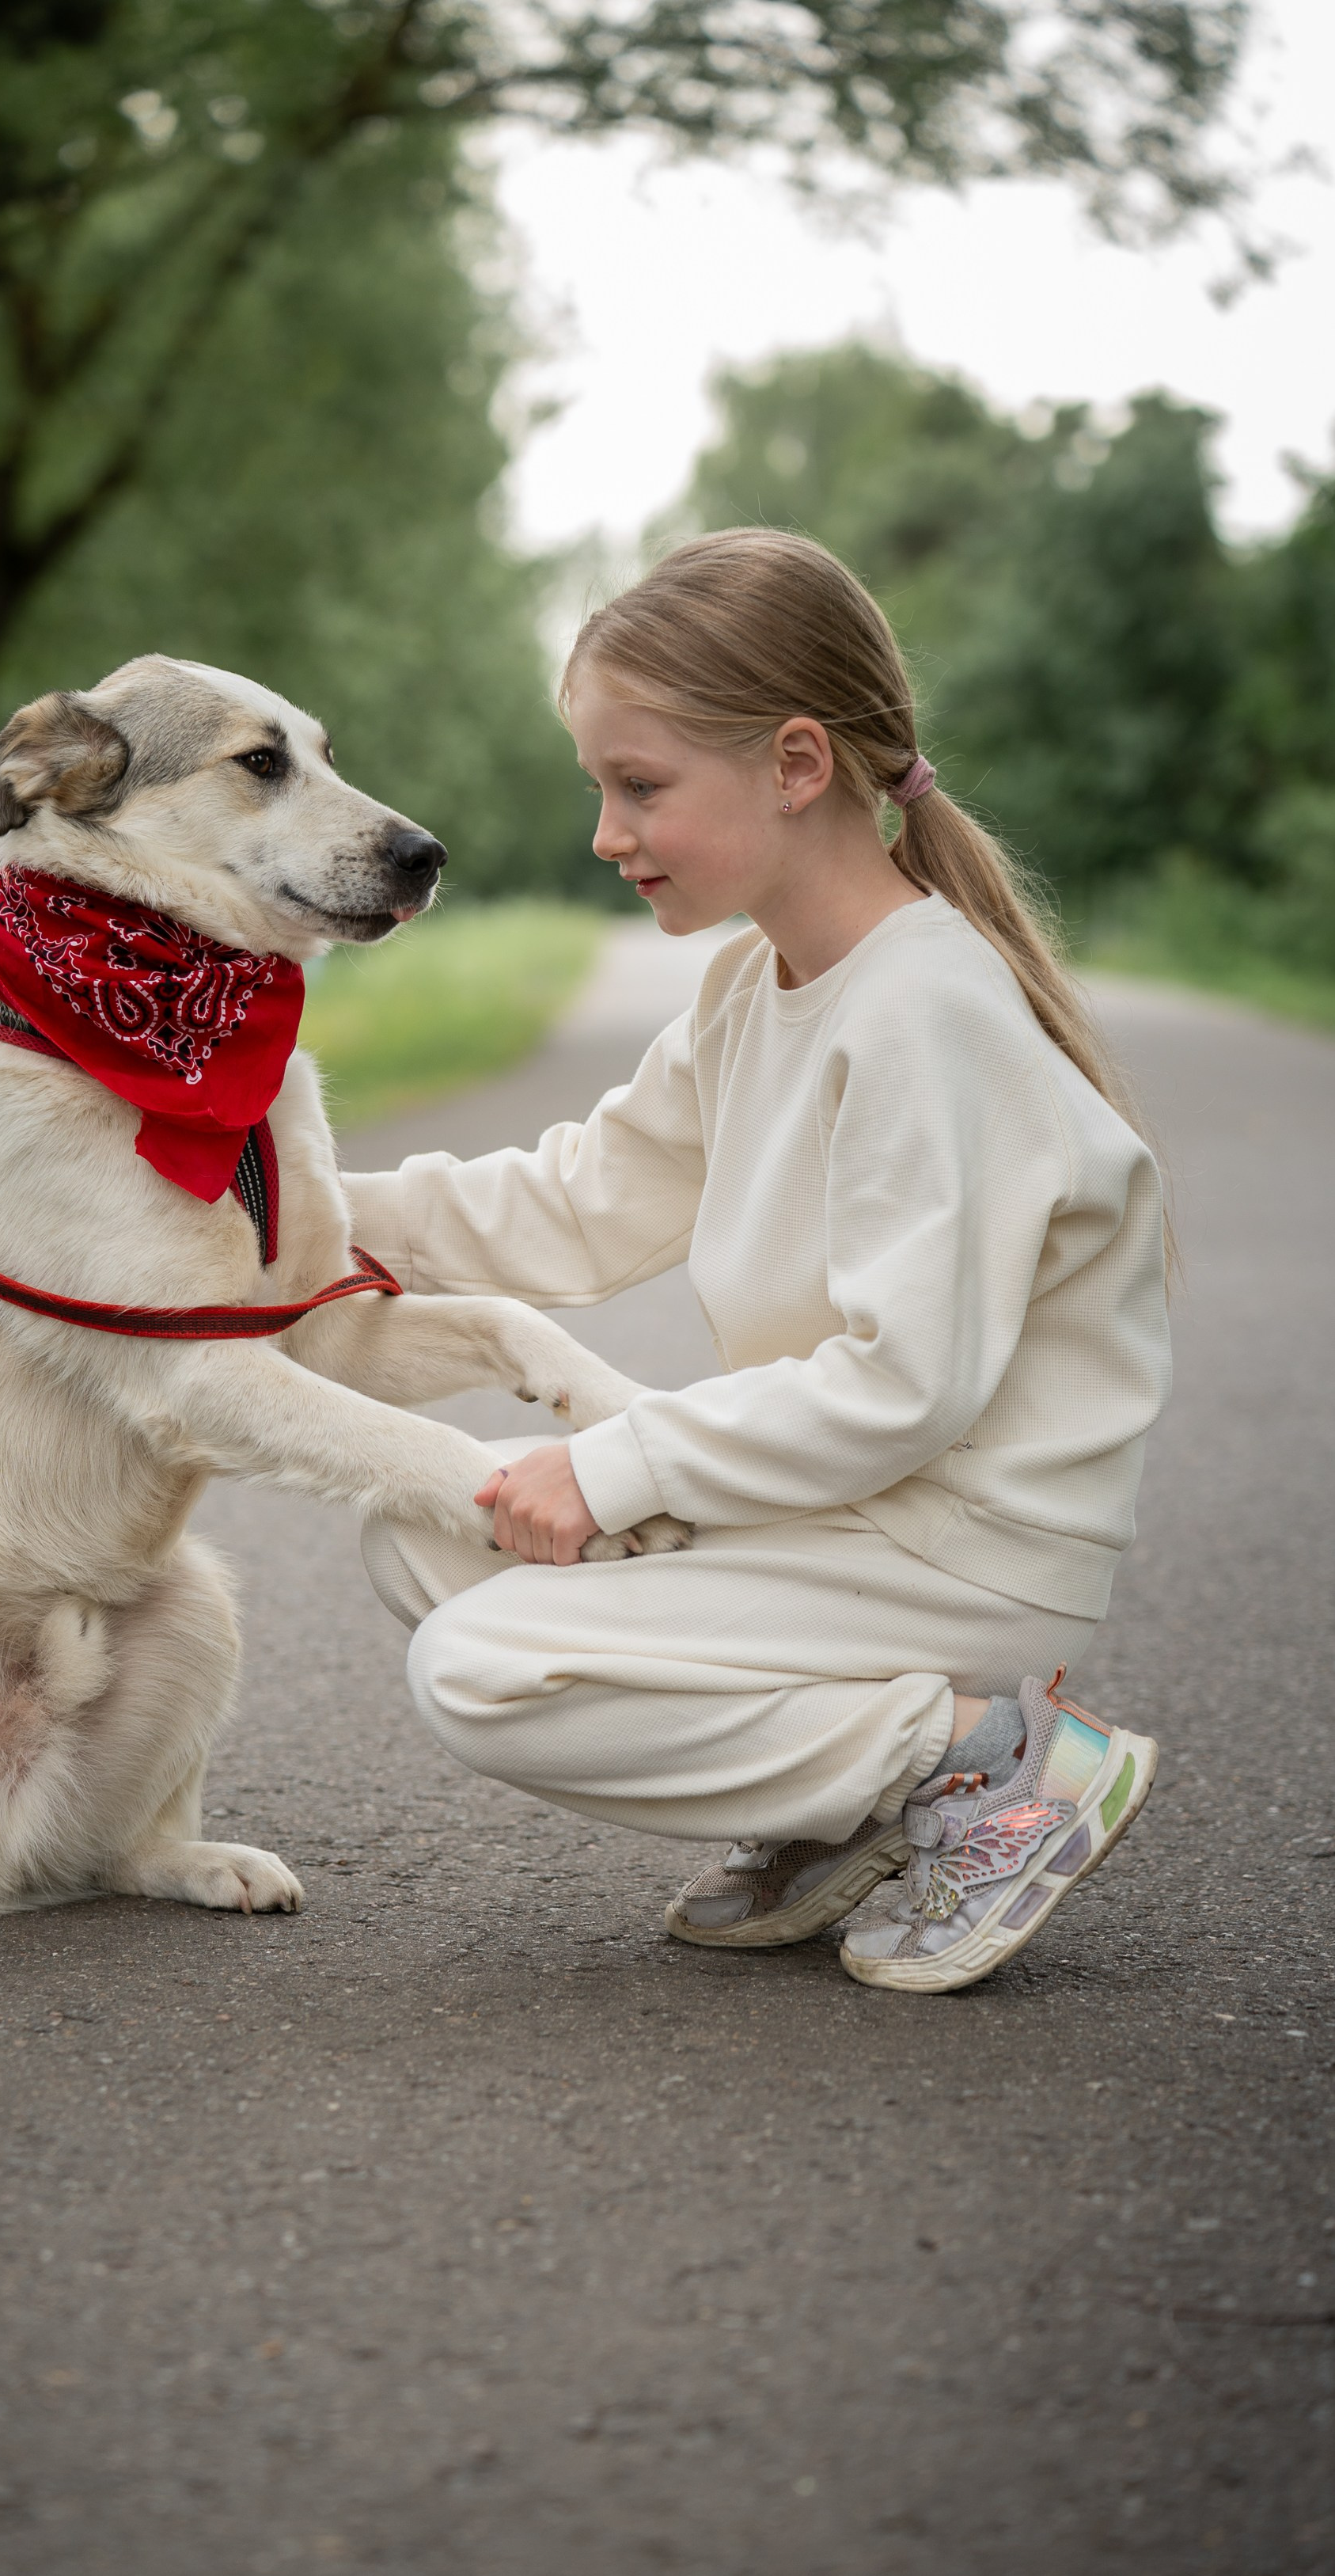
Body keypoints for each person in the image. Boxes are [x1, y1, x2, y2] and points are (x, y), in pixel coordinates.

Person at [344, 528, 1170, 1994]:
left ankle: (976, 1770)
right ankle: (840, 1807)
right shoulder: (755, 986)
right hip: (846, 1513)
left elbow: (903, 1387)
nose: (607, 831)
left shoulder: (926, 1014)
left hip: (955, 1540)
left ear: (797, 764)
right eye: (603, 786)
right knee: (421, 1526)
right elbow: (580, 1206)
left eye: (640, 785)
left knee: (477, 1668)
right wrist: (291, 1207)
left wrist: (618, 1467)